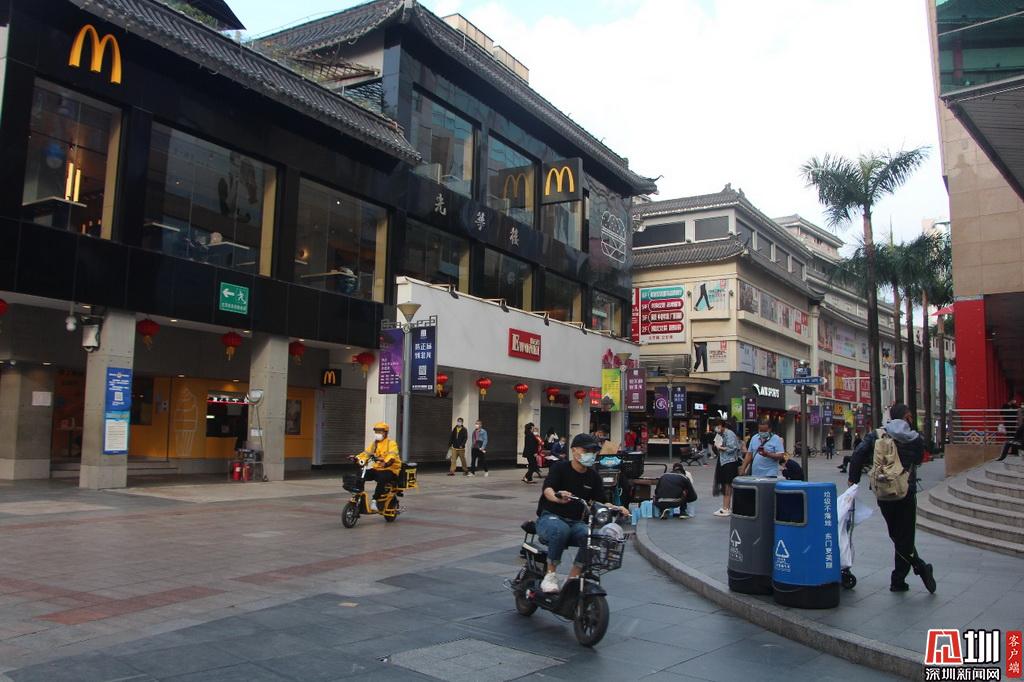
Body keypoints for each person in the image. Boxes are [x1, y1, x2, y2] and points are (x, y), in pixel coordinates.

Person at [848, 404, 936, 593]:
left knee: (896, 534)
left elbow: (858, 454)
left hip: (883, 491)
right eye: (910, 416)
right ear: (906, 416)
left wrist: (853, 480)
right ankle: (911, 572)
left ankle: (903, 577)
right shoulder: (914, 438)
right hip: (905, 491)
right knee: (905, 536)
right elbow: (919, 459)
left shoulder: (877, 434)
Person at [536, 433, 631, 593]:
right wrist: (558, 497)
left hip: (576, 523)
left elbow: (600, 501)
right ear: (574, 450)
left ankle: (573, 577)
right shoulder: (560, 468)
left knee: (592, 537)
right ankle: (550, 575)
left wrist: (616, 508)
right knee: (560, 530)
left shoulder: (593, 476)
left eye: (593, 451)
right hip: (550, 518)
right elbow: (548, 490)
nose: (591, 455)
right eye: (586, 451)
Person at [354, 422, 401, 511]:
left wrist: (386, 463)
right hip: (377, 469)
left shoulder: (391, 443)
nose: (377, 434)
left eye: (380, 432)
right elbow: (366, 453)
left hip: (390, 469)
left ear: (385, 433)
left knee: (382, 478)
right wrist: (357, 458)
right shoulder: (375, 444)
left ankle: (374, 500)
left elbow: (392, 456)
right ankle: (359, 495)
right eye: (376, 432)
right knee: (361, 474)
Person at [711, 420, 742, 516]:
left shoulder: (730, 434)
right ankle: (725, 507)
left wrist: (720, 448)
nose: (716, 428)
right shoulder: (719, 434)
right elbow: (716, 444)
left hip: (730, 462)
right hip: (722, 461)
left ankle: (727, 508)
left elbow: (732, 448)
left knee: (728, 484)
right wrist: (716, 447)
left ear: (722, 426)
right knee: (725, 484)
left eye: (718, 426)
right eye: (715, 426)